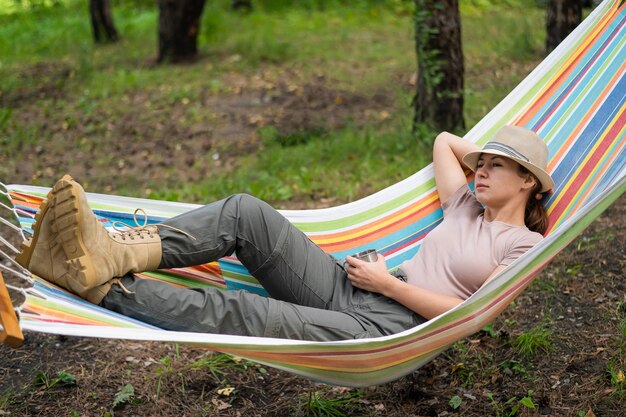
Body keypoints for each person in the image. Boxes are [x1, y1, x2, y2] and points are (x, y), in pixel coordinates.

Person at [16, 125, 554, 342]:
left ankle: (102, 286)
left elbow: (474, 314)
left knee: (246, 313)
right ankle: (110, 251)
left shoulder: (523, 245)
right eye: (479, 162)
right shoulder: (463, 202)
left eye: (498, 166)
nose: (479, 170)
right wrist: (491, 160)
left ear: (528, 181)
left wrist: (389, 286)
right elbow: (443, 141)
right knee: (245, 211)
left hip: (393, 328)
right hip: (360, 289)